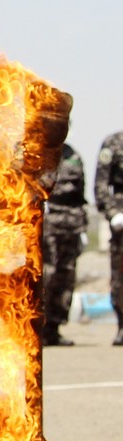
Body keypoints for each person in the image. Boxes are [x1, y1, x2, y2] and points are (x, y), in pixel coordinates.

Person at [41, 143, 88, 347]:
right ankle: (37, 327)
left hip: (72, 224)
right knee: (46, 275)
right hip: (47, 223)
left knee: (65, 277)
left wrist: (83, 227)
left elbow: (81, 193)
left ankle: (54, 327)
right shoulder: (36, 151)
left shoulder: (73, 155)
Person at [95, 130, 123, 346]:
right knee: (120, 275)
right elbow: (101, 184)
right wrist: (113, 213)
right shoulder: (113, 142)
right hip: (122, 219)